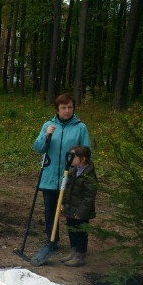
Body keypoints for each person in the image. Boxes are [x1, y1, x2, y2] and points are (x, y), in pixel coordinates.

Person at [32, 93, 91, 252]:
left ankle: (76, 247)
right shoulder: (48, 125)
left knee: (73, 212)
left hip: (72, 178)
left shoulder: (80, 127)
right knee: (50, 209)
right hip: (50, 176)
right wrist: (46, 136)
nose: (67, 111)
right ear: (57, 110)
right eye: (63, 108)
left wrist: (77, 166)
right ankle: (52, 241)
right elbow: (38, 148)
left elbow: (86, 152)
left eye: (70, 107)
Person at [60, 145, 97, 267]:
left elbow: (89, 197)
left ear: (83, 159)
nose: (71, 158)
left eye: (73, 156)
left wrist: (81, 212)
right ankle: (73, 251)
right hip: (71, 208)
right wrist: (63, 203)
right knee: (71, 230)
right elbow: (67, 190)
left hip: (81, 211)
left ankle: (80, 255)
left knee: (81, 233)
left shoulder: (89, 175)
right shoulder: (73, 171)